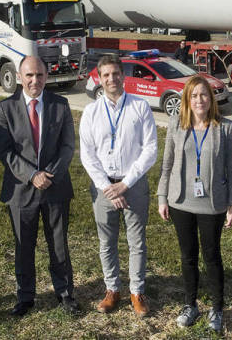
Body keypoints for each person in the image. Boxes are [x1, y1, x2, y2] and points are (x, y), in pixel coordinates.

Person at [0, 56, 80, 317]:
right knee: (24, 246)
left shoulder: (60, 105)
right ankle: (25, 296)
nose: (35, 81)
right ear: (20, 77)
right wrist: (32, 175)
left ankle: (64, 293)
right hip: (21, 189)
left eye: (40, 75)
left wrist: (49, 174)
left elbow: (67, 147)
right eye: (29, 75)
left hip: (55, 188)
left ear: (47, 75)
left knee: (58, 244)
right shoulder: (5, 108)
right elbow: (5, 151)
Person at [157, 75, 232, 332]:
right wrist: (162, 197)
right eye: (194, 96)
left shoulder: (224, 128)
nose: (199, 100)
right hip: (181, 201)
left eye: (204, 94)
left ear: (211, 98)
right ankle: (190, 304)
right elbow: (167, 164)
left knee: (212, 256)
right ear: (187, 99)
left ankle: (217, 308)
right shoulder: (176, 124)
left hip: (212, 203)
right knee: (187, 256)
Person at [80, 54, 158, 317]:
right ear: (99, 79)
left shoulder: (140, 106)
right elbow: (87, 154)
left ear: (123, 76)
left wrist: (125, 184)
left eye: (115, 74)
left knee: (137, 242)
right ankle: (112, 289)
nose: (111, 79)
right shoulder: (91, 112)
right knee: (106, 242)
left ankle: (137, 291)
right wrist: (106, 187)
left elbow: (150, 149)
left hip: (133, 184)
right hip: (103, 188)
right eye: (105, 75)